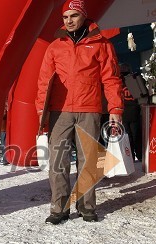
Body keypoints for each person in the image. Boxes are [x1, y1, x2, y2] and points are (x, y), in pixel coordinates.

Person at [35, 0, 123, 224]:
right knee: (58, 161)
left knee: (88, 161)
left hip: (90, 110)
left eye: (74, 16)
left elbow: (111, 79)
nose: (69, 21)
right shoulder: (54, 47)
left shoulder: (102, 45)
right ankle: (59, 208)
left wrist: (115, 109)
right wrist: (41, 114)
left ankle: (86, 206)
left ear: (84, 16)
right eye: (65, 17)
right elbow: (44, 83)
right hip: (59, 111)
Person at [120, 67, 143, 161]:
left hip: (124, 112)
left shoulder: (118, 81)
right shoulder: (135, 79)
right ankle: (140, 155)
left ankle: (131, 157)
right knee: (136, 135)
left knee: (127, 136)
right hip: (135, 111)